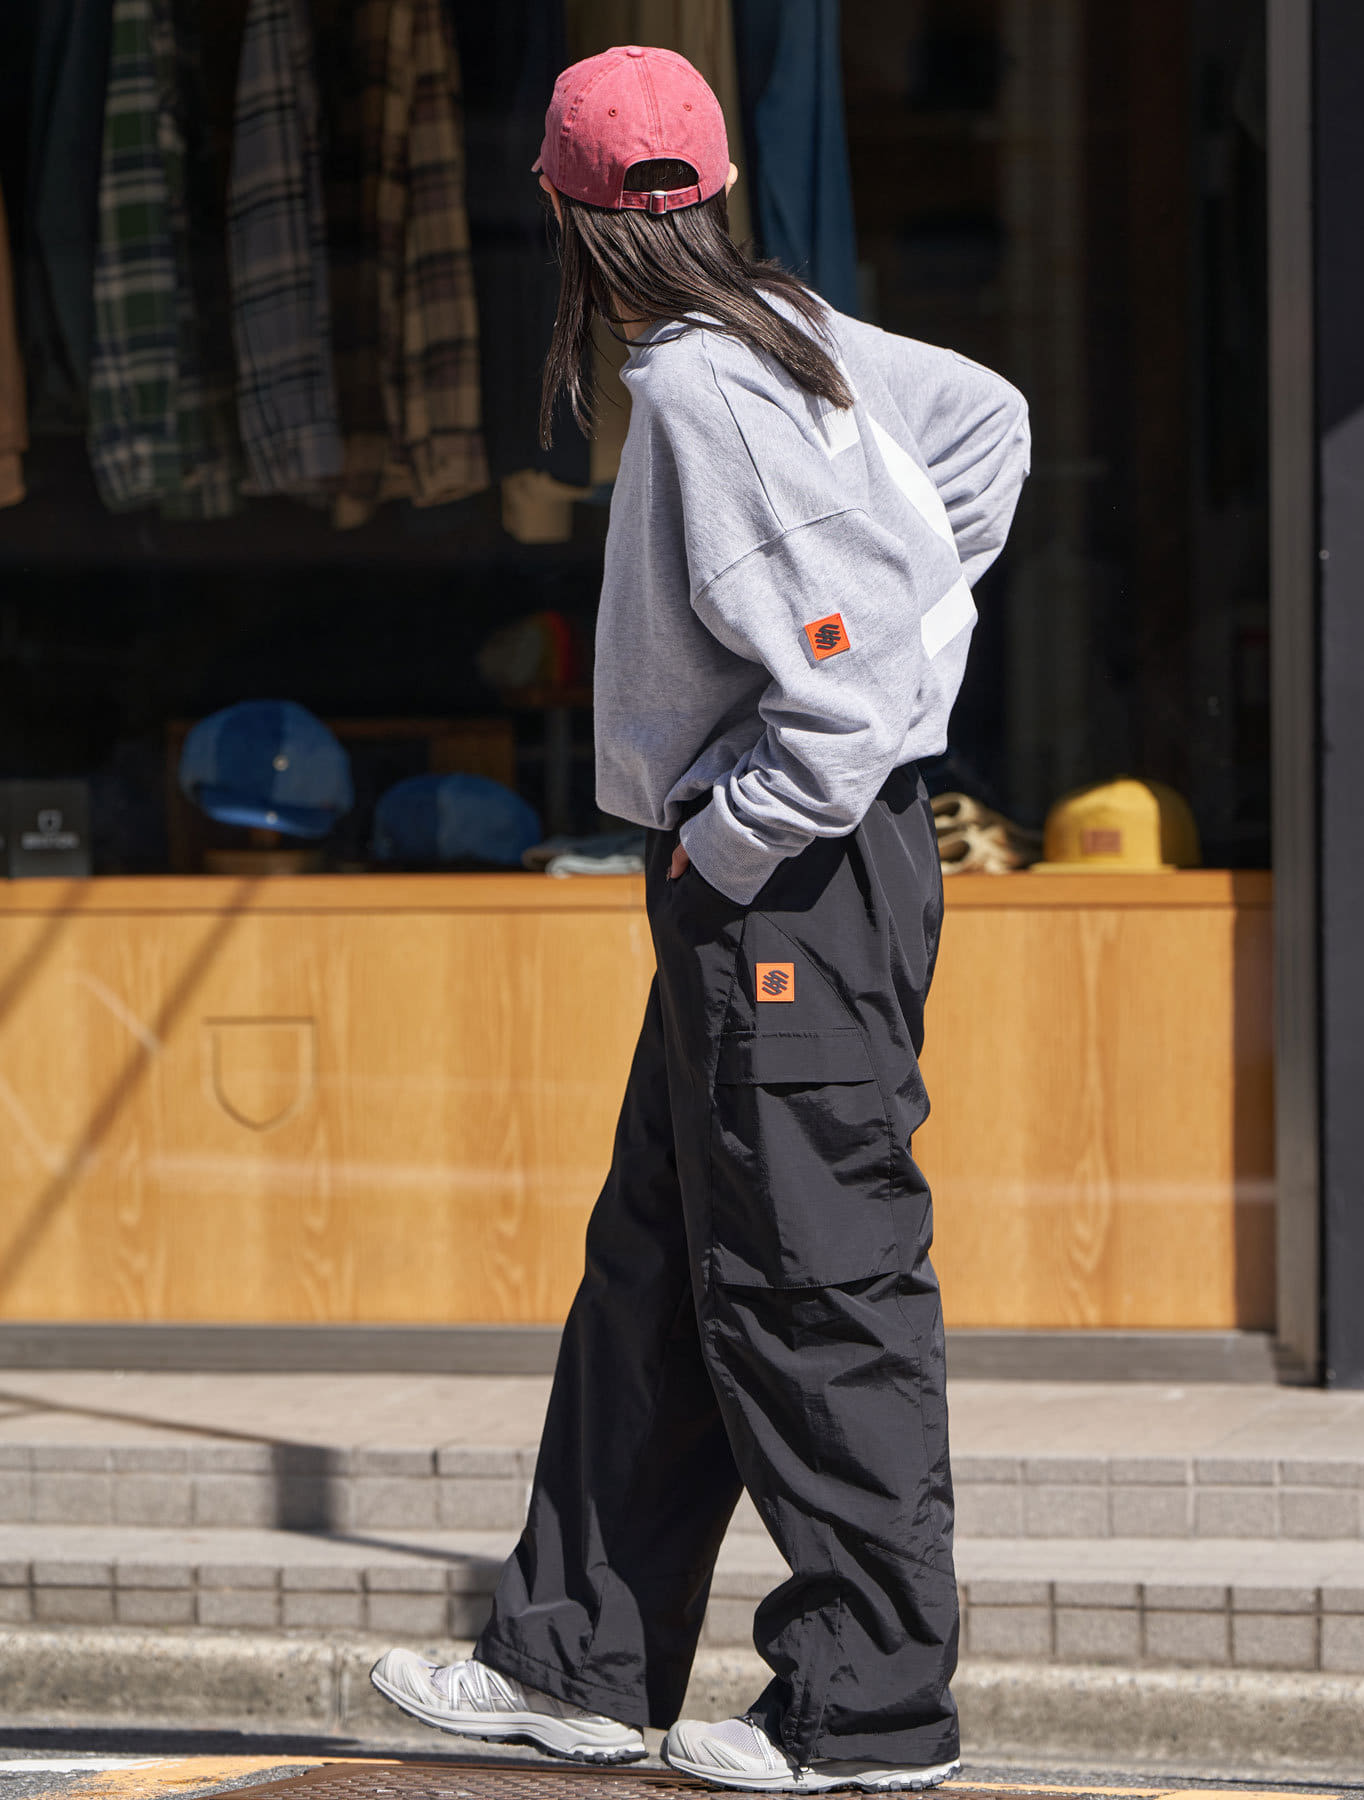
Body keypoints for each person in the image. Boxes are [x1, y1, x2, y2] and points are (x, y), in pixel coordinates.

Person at [372, 42, 1029, 1795]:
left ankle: (867, 1711)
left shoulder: (696, 388)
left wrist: (737, 825)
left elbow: (838, 694)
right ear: (722, 182)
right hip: (800, 874)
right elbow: (988, 419)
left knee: (816, 1282)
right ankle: (574, 1664)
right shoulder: (794, 331)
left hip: (788, 880)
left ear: (559, 207)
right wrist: (917, 609)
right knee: (660, 1270)